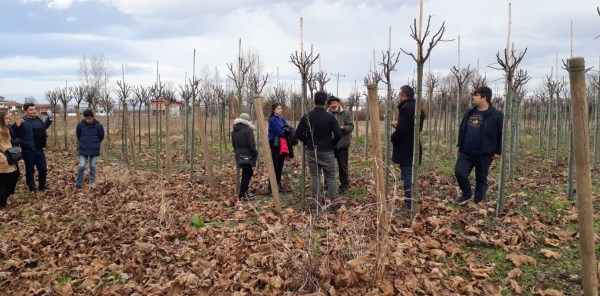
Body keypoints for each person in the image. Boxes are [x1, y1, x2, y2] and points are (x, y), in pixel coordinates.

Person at [454, 86, 503, 205]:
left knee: (481, 178)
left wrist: (498, 151)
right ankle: (467, 193)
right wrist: (460, 145)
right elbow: (462, 129)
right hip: (466, 151)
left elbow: (501, 134)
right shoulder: (469, 112)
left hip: (484, 153)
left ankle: (478, 201)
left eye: (476, 95)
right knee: (459, 172)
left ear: (484, 98)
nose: (473, 97)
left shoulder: (496, 115)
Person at [295, 91, 342, 212]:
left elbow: (298, 134)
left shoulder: (307, 116)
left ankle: (316, 204)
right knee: (331, 177)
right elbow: (338, 134)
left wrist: (308, 141)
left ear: (314, 101)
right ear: (325, 102)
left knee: (315, 177)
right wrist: (331, 144)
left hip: (311, 150)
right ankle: (334, 204)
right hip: (327, 151)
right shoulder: (330, 117)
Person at [391, 85, 425, 209]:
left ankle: (411, 202)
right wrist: (399, 125)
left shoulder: (405, 108)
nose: (399, 97)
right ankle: (410, 199)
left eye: (399, 95)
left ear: (404, 96)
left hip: (406, 148)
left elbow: (403, 131)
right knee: (410, 174)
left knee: (407, 176)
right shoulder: (418, 108)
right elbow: (415, 128)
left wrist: (393, 137)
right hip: (414, 145)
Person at [13, 103, 52, 193]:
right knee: (30, 170)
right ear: (25, 111)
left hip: (39, 150)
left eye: (34, 109)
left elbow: (44, 127)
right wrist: (16, 125)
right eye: (31, 110)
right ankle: (32, 188)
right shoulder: (23, 121)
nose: (34, 111)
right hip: (28, 151)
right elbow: (13, 132)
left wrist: (49, 120)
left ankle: (42, 186)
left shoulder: (38, 119)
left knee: (43, 169)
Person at [327, 96, 354, 193]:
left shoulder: (346, 113)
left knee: (343, 166)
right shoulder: (327, 113)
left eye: (334, 103)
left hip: (342, 144)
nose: (333, 105)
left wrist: (344, 128)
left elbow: (351, 126)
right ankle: (329, 185)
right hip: (329, 144)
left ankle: (344, 186)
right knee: (328, 166)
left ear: (338, 103)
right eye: (331, 103)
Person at [75, 110, 105, 189]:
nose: (87, 120)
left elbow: (101, 136)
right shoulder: (80, 125)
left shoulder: (98, 126)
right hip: (83, 149)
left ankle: (92, 182)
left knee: (93, 166)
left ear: (92, 117)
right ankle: (79, 183)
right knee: (81, 166)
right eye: (86, 118)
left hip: (94, 149)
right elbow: (78, 135)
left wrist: (95, 143)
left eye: (89, 118)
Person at [231, 113, 258, 200]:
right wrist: (255, 153)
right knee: (248, 173)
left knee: (247, 173)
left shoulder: (234, 130)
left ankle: (244, 192)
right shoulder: (248, 129)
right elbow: (251, 144)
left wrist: (238, 152)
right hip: (248, 155)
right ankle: (242, 194)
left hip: (239, 155)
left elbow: (233, 144)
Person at [0, 112, 20, 210]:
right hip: (3, 162)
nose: (9, 120)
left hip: (8, 159)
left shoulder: (6, 129)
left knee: (11, 179)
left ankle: (3, 201)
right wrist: (3, 159)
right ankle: (2, 204)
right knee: (4, 183)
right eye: (6, 118)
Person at [267, 103, 289, 193]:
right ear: (274, 110)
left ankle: (278, 186)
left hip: (282, 144)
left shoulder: (282, 119)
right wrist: (286, 132)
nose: (280, 110)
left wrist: (286, 131)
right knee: (275, 166)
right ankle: (271, 187)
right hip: (275, 144)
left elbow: (288, 129)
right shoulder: (272, 120)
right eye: (278, 108)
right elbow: (280, 132)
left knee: (280, 165)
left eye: (281, 108)